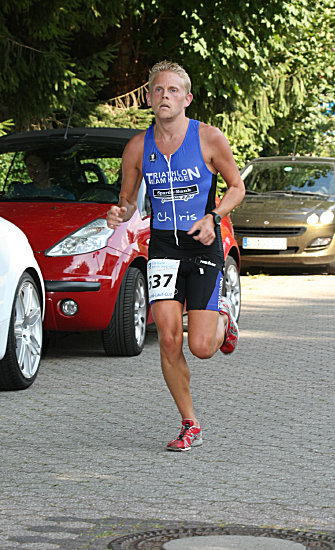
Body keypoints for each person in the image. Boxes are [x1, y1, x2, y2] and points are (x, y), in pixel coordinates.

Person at [107, 60, 245, 451]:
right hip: (164, 248)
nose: (163, 96)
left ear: (186, 98)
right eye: (157, 90)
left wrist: (213, 217)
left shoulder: (208, 138)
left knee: (201, 347)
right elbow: (129, 202)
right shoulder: (137, 146)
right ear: (149, 97)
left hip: (202, 244)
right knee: (168, 339)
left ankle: (222, 320)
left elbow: (237, 187)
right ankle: (190, 423)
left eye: (172, 90)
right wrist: (119, 213)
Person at [6, 151, 75, 199]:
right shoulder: (17, 192)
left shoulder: (64, 196)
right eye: (30, 166)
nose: (33, 169)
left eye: (36, 165)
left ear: (46, 166)